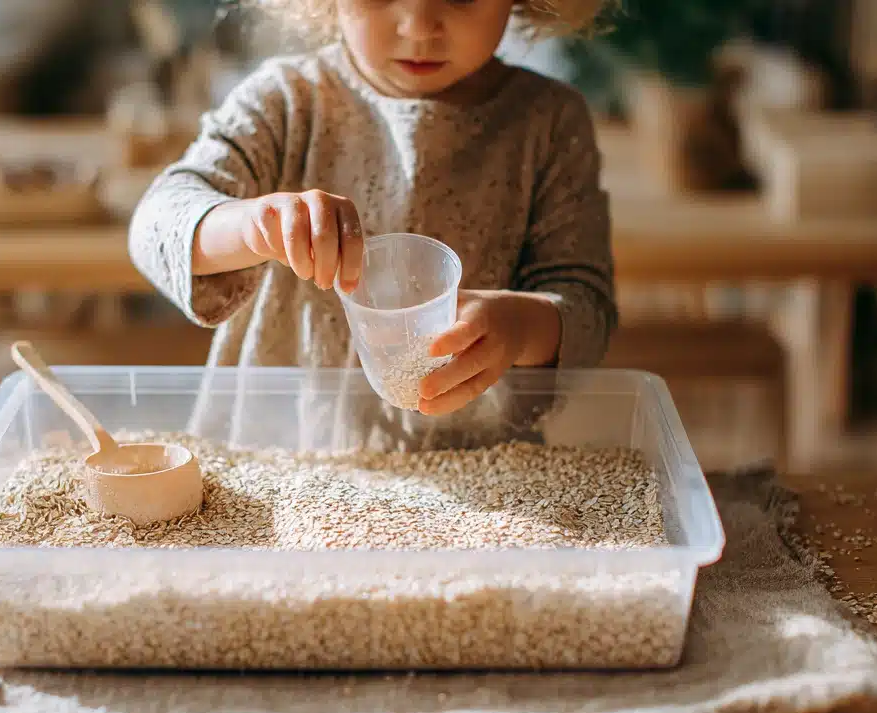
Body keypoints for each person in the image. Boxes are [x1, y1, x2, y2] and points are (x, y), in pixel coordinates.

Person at [128, 0, 616, 447]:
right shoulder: (284, 102)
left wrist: (519, 326)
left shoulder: (549, 122)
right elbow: (156, 225)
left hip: (475, 475)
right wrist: (251, 224)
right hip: (286, 457)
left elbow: (586, 308)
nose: (420, 27)